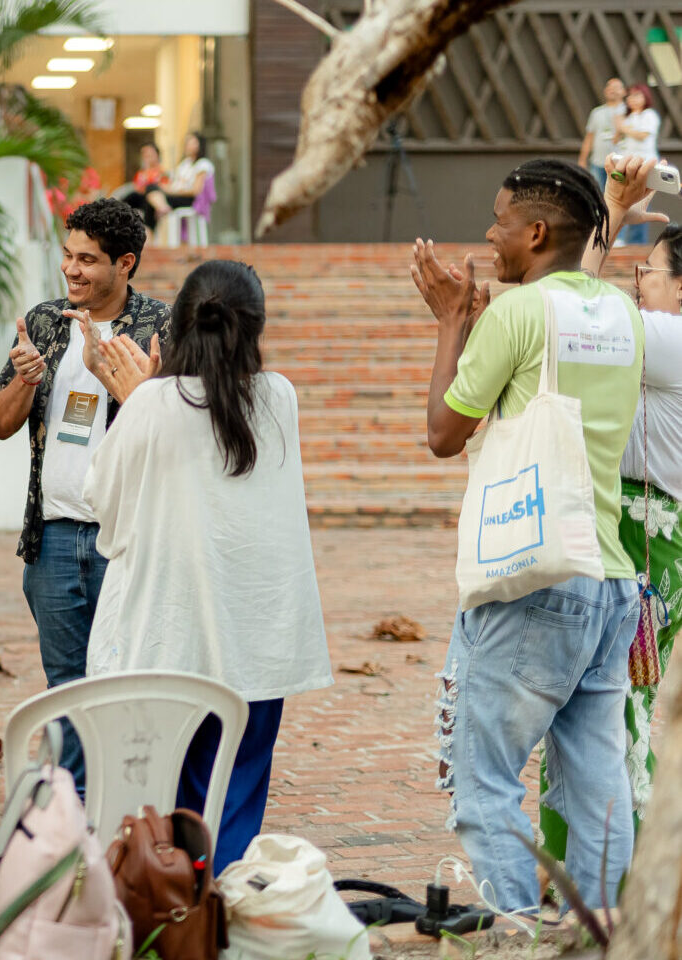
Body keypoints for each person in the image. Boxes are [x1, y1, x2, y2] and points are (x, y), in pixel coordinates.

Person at [413, 158, 642, 913]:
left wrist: (452, 321)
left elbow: (445, 432)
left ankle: (517, 932)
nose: (489, 232)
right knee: (596, 780)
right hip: (610, 580)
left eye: (500, 219)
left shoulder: (517, 314)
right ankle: (603, 932)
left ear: (537, 231)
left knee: (484, 780)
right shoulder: (616, 312)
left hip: (534, 578)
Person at [80, 260, 333, 872]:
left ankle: (169, 913)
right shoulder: (280, 398)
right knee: (234, 797)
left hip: (166, 644)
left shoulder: (151, 404)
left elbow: (104, 510)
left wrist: (139, 393)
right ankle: (220, 906)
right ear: (256, 329)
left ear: (171, 329)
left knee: (155, 802)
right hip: (256, 644)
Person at [0, 197, 170, 791]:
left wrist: (112, 376)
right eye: (67, 256)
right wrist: (25, 378)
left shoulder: (161, 328)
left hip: (131, 542)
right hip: (55, 537)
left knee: (129, 682)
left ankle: (129, 809)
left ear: (126, 263)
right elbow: (0, 421)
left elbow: (178, 431)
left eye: (88, 260)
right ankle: (77, 813)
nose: (72, 270)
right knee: (65, 687)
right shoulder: (42, 322)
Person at [535, 153, 679, 866]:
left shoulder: (669, 340)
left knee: (612, 713)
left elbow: (571, 299)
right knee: (600, 707)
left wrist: (614, 213)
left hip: (642, 538)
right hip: (649, 535)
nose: (636, 281)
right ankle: (582, 879)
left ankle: (623, 881)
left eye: (646, 273)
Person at [615, 83, 661, 247]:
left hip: (645, 165)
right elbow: (619, 139)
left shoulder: (649, 115)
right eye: (630, 96)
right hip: (628, 164)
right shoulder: (628, 117)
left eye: (637, 95)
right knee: (625, 200)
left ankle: (636, 242)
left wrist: (623, 128)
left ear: (645, 97)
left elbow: (642, 135)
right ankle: (620, 238)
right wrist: (619, 128)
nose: (632, 99)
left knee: (641, 203)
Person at [141, 133, 215, 234]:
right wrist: (166, 187)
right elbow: (175, 182)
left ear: (199, 145)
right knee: (150, 194)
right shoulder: (185, 164)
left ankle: (162, 208)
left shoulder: (203, 164)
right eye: (187, 142)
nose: (187, 145)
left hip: (189, 199)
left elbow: (196, 190)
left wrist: (172, 192)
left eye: (191, 142)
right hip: (175, 195)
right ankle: (162, 209)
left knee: (151, 192)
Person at [578, 77, 626, 191]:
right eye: (609, 87)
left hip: (621, 164)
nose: (612, 90)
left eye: (616, 87)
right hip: (598, 162)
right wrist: (582, 160)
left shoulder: (629, 111)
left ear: (624, 92)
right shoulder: (597, 112)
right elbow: (589, 137)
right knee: (597, 194)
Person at [121, 144, 166, 216]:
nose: (146, 156)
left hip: (151, 200)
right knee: (130, 197)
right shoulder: (141, 172)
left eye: (149, 154)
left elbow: (162, 188)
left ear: (157, 155)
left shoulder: (162, 172)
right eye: (144, 154)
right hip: (140, 198)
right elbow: (137, 187)